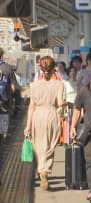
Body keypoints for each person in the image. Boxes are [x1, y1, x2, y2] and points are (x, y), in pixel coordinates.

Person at [23, 56, 64, 191]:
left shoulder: (34, 86)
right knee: (50, 146)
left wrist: (28, 126)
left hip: (37, 116)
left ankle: (41, 172)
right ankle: (45, 170)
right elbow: (60, 103)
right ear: (53, 70)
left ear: (41, 70)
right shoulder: (59, 84)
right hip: (52, 115)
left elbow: (31, 106)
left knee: (39, 145)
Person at [70, 64, 91, 201]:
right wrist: (73, 126)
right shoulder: (84, 91)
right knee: (90, 161)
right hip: (89, 133)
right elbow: (77, 109)